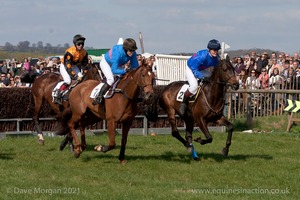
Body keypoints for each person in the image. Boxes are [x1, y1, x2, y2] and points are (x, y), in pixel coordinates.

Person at [178, 39, 221, 115]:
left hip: (200, 69)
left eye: (217, 50)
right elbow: (194, 69)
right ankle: (183, 103)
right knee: (194, 86)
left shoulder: (216, 58)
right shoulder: (202, 56)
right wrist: (201, 77)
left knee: (211, 78)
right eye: (214, 50)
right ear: (209, 50)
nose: (215, 52)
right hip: (191, 68)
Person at [92, 38, 139, 105]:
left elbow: (135, 67)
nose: (132, 52)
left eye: (133, 50)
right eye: (130, 50)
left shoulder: (133, 53)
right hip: (106, 63)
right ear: (125, 49)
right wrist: (125, 70)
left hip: (118, 64)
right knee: (111, 80)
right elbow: (114, 70)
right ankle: (99, 96)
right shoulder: (118, 53)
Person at [54, 34, 89, 104]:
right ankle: (57, 94)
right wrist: (75, 76)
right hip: (65, 66)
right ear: (75, 44)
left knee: (81, 78)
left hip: (74, 65)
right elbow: (68, 67)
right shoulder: (69, 52)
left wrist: (84, 73)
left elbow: (84, 65)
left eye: (82, 44)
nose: (81, 46)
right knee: (68, 81)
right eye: (79, 44)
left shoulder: (84, 53)